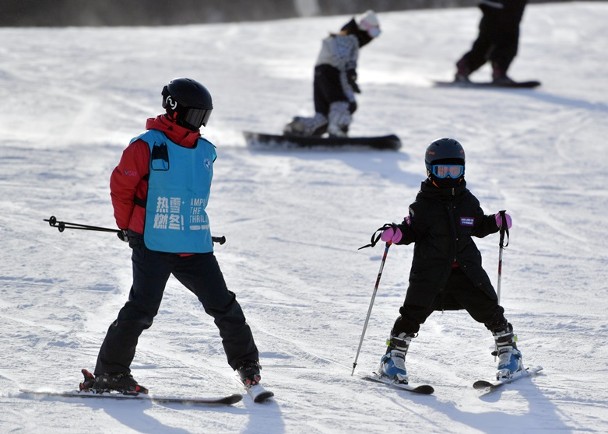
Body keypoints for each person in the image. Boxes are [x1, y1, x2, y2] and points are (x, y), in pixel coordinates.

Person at [82, 78, 261, 394]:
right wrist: (128, 227)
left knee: (223, 304)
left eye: (203, 118)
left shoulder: (205, 151)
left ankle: (247, 364)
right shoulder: (146, 145)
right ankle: (110, 373)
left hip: (194, 243)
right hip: (153, 242)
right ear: (174, 110)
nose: (199, 124)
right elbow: (121, 189)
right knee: (142, 309)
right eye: (194, 116)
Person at [376, 138, 523, 383]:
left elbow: (477, 224)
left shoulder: (467, 201)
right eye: (441, 170)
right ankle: (393, 357)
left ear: (463, 170)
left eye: (454, 170)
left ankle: (509, 351)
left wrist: (495, 222)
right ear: (430, 170)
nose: (448, 177)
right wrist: (397, 234)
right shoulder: (423, 204)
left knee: (489, 308)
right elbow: (411, 230)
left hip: (465, 272)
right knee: (413, 312)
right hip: (430, 273)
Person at [283, 10, 381, 138]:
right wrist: (350, 74)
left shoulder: (340, 38)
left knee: (324, 114)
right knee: (344, 102)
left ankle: (298, 128)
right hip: (332, 72)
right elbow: (342, 59)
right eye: (374, 32)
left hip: (320, 73)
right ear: (364, 29)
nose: (373, 37)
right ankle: (338, 129)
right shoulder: (350, 39)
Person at [455, 0, 528, 84]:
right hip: (507, 6)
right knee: (507, 39)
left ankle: (465, 67)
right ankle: (498, 71)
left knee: (486, 40)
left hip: (493, 5)